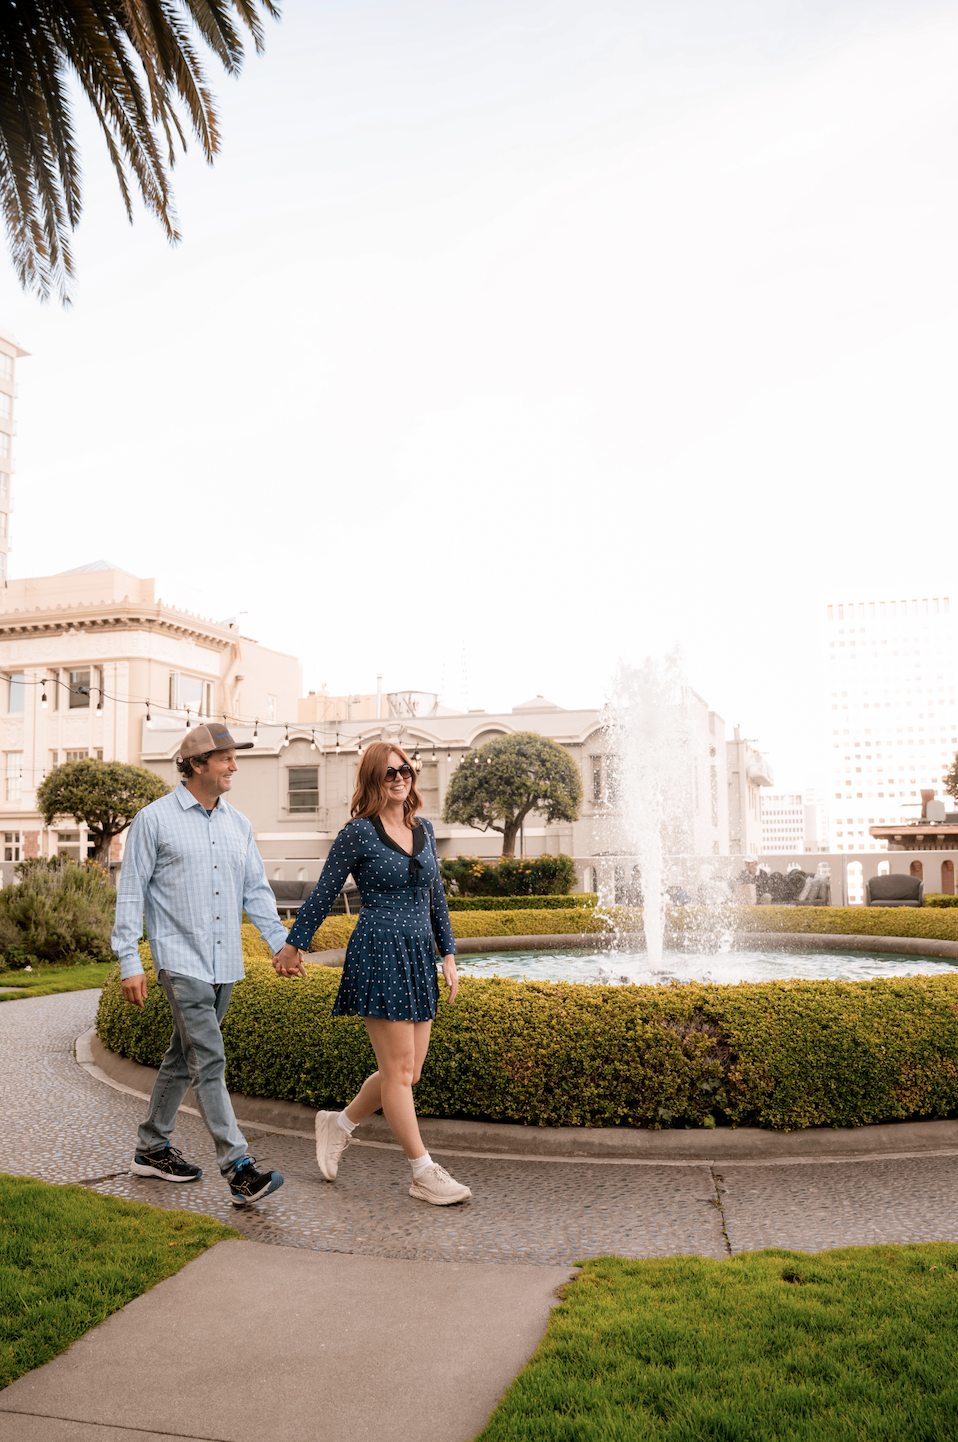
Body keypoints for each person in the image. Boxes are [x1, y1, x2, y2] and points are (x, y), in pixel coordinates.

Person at [272, 741, 471, 1206]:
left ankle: (338, 1124)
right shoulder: (358, 833)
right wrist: (293, 945)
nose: (400, 778)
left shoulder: (423, 829)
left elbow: (436, 896)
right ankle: (423, 1172)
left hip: (418, 956)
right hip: (379, 952)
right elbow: (324, 893)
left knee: (408, 1073)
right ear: (373, 781)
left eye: (406, 770)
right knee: (398, 1072)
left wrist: (448, 954)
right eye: (389, 773)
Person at [111, 723, 290, 1208]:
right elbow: (132, 893)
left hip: (224, 961)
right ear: (195, 764)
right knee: (209, 1058)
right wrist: (130, 959)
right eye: (225, 758)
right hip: (179, 958)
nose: (234, 766)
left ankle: (151, 1147)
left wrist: (280, 944)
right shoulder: (153, 820)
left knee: (183, 1055)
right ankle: (239, 1169)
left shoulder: (238, 824)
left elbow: (256, 890)